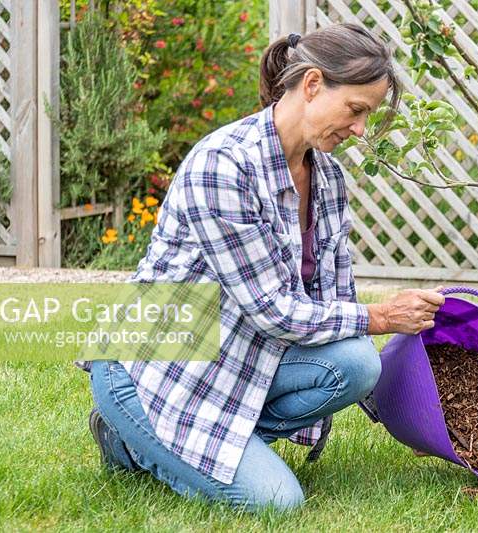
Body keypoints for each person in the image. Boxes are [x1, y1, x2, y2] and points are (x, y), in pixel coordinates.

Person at [80, 22, 446, 512]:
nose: (360, 129)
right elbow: (275, 311)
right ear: (312, 84)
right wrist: (381, 316)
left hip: (239, 361)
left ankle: (212, 442)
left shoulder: (329, 180)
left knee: (358, 362)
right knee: (278, 503)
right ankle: (126, 437)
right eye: (356, 110)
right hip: (156, 370)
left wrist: (413, 420)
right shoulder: (224, 166)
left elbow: (334, 307)